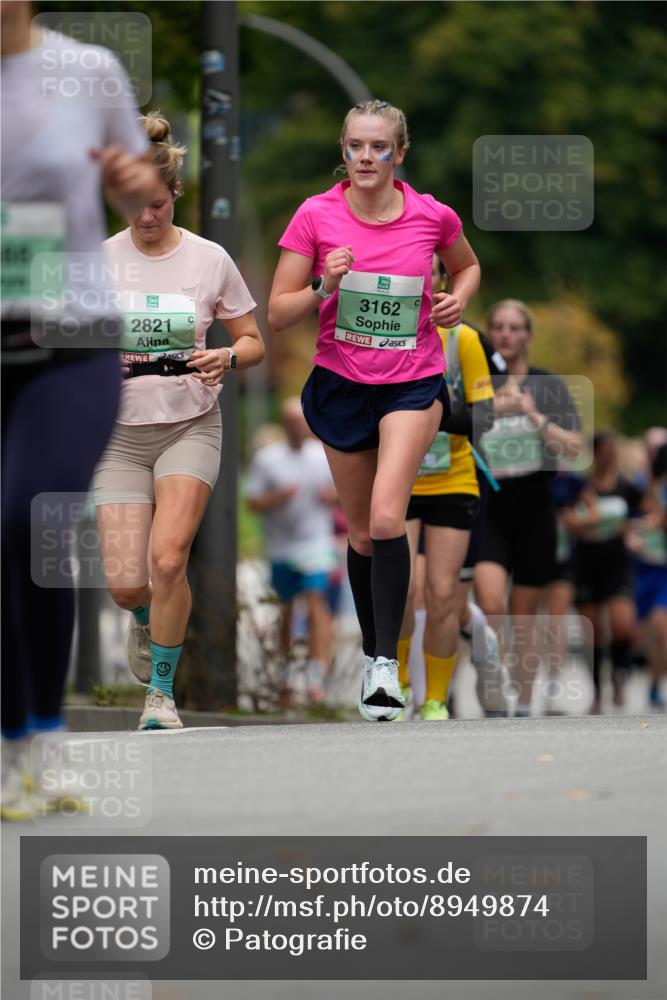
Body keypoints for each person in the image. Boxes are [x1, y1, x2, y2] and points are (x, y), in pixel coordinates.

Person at [268, 100, 480, 721]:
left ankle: (386, 666)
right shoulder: (315, 215)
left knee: (389, 517)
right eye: (355, 146)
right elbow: (277, 314)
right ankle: (373, 653)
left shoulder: (430, 215)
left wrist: (455, 302)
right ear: (344, 150)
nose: (365, 157)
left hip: (412, 382)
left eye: (378, 147)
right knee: (361, 532)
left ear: (399, 154)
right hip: (340, 384)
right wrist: (322, 286)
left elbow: (467, 268)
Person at [1, 2, 156, 819]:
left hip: (71, 334)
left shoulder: (85, 71)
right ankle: (12, 746)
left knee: (30, 520)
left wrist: (134, 181)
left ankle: (48, 740)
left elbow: (142, 180)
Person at [93, 111, 264, 731]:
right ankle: (143, 621)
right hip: (116, 433)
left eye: (158, 205)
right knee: (125, 584)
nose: (147, 217)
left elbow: (252, 339)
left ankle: (161, 696)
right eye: (136, 205)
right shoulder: (97, 260)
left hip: (189, 422)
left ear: (175, 196)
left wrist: (225, 354)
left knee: (168, 561)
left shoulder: (209, 258)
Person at [397, 254, 505, 721]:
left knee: (442, 594)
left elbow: (487, 415)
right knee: (400, 589)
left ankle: (437, 698)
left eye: (431, 270)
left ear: (442, 279)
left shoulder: (464, 338)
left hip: (453, 479)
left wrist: (435, 414)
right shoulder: (388, 329)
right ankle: (396, 689)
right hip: (399, 478)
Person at [474, 299, 582, 716]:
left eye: (515, 327)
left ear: (528, 336)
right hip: (490, 505)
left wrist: (535, 416)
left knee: (524, 616)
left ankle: (520, 700)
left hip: (535, 507)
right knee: (490, 602)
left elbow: (573, 447)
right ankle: (493, 678)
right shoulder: (479, 380)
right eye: (498, 326)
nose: (506, 334)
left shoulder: (547, 384)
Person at [245, 397, 338, 703]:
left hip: (316, 543)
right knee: (286, 611)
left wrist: (331, 496)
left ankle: (315, 677)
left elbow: (342, 490)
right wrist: (278, 498)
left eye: (301, 420)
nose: (297, 426)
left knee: (316, 602)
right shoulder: (268, 459)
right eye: (291, 421)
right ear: (284, 425)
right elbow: (252, 502)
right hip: (282, 547)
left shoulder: (321, 455)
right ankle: (287, 675)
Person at [565, 431, 642, 711]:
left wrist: (633, 532)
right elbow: (567, 520)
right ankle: (597, 691)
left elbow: (645, 515)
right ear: (595, 454)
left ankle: (619, 673)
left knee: (622, 623)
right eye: (606, 452)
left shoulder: (627, 487)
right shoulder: (580, 486)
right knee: (593, 631)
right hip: (586, 561)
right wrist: (582, 525)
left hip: (617, 562)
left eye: (614, 453)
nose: (611, 458)